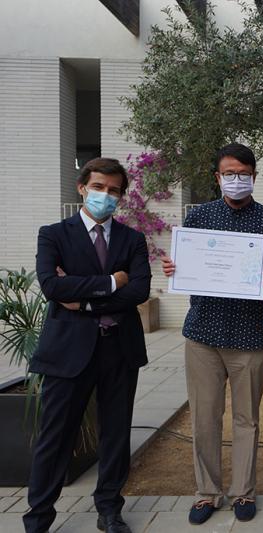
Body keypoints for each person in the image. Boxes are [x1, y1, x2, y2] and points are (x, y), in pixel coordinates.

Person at [161, 143, 263, 524]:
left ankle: (243, 491)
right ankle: (207, 493)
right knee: (204, 417)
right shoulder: (199, 217)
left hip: (250, 335)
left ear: (254, 176)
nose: (236, 180)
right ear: (217, 177)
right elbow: (187, 265)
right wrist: (175, 270)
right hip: (204, 333)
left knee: (247, 418)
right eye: (229, 174)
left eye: (243, 174)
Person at [24, 158, 152, 533]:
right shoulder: (53, 235)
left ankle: (109, 509)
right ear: (82, 188)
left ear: (121, 196)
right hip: (67, 352)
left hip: (119, 349)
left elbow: (139, 291)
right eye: (98, 187)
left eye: (113, 190)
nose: (105, 195)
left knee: (116, 434)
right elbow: (52, 286)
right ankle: (38, 517)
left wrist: (83, 301)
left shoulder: (132, 239)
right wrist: (113, 282)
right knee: (55, 436)